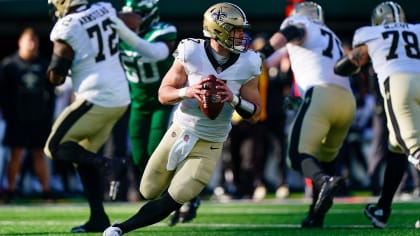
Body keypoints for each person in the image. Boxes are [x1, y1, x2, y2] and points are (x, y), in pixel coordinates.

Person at [103, 2, 262, 235]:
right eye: (235, 30)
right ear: (219, 30)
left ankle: (119, 229)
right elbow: (163, 93)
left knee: (175, 196)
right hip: (180, 131)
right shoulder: (190, 51)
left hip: (211, 141)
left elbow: (256, 113)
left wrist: (234, 99)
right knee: (147, 189)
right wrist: (186, 91)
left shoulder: (249, 62)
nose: (241, 36)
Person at [258, 1, 356, 228]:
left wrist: (261, 53)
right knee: (326, 159)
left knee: (296, 154)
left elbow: (290, 33)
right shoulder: (330, 34)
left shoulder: (298, 24)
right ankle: (316, 215)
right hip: (347, 100)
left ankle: (322, 181)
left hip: (321, 96)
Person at [44, 0, 133, 233]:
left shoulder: (67, 25)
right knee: (82, 154)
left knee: (55, 146)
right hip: (120, 97)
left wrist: (53, 71)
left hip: (97, 96)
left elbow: (58, 75)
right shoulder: (104, 7)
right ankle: (98, 217)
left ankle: (110, 165)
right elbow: (131, 22)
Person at [334, 1, 420, 229]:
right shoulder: (417, 29)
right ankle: (383, 208)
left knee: (413, 148)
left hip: (399, 83)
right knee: (396, 148)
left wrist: (341, 67)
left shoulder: (368, 32)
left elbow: (354, 61)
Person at [0, 27, 55, 202]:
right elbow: (4, 94)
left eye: (34, 41)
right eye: (28, 40)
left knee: (39, 153)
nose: (31, 44)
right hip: (17, 118)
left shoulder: (44, 64)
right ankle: (10, 189)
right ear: (20, 42)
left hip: (38, 118)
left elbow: (51, 93)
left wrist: (48, 115)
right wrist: (9, 115)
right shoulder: (10, 65)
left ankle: (46, 191)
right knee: (15, 154)